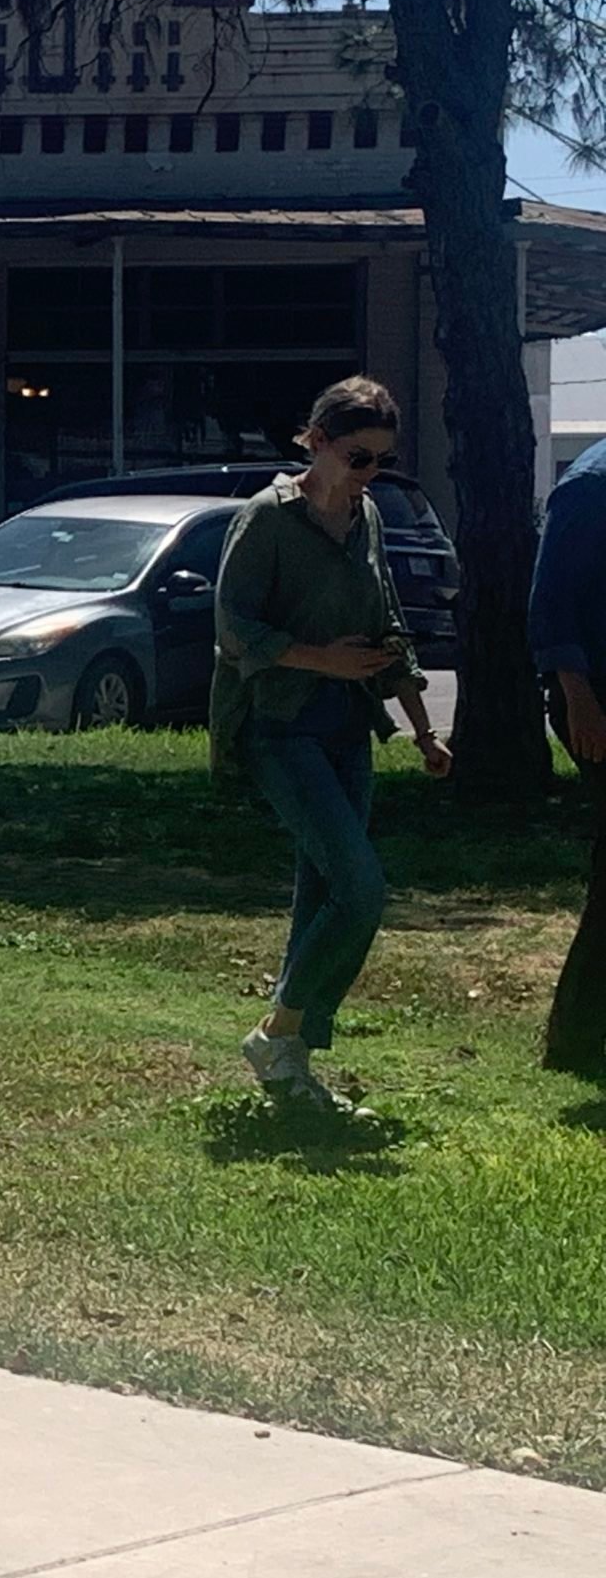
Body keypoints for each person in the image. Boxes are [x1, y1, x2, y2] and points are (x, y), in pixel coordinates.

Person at [213, 376, 453, 1110]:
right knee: (361, 888)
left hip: (348, 729)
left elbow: (386, 625)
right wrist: (322, 658)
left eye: (379, 460)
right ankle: (277, 1029)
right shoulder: (266, 519)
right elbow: (233, 631)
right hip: (280, 727)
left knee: (321, 895)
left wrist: (423, 730)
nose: (367, 473)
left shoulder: (368, 514)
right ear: (315, 443)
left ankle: (290, 1070)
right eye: (356, 457)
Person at [531, 434, 606, 1076]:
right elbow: (551, 607)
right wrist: (578, 696)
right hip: (596, 700)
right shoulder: (589, 485)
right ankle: (575, 1040)